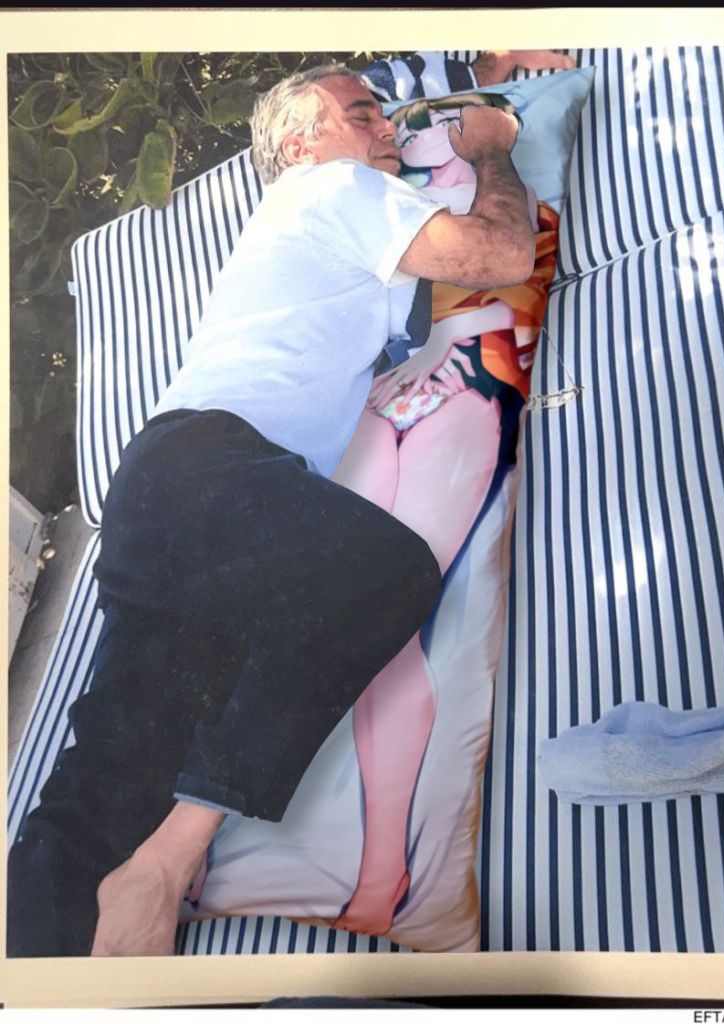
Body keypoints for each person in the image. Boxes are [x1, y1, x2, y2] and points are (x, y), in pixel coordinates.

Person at [6, 60, 536, 958]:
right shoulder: (331, 187)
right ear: (297, 144)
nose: (387, 128)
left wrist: (487, 81)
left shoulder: (322, 220)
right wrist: (491, 149)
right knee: (380, 572)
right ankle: (168, 861)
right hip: (211, 467)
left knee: (107, 779)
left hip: (165, 491)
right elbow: (500, 255)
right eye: (361, 113)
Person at [327, 90, 561, 936]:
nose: (412, 130)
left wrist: (438, 345)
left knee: (395, 635)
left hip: (465, 382)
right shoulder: (383, 218)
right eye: (402, 121)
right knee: (326, 618)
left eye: (436, 119)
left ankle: (383, 871)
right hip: (376, 400)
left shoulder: (505, 203)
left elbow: (511, 283)